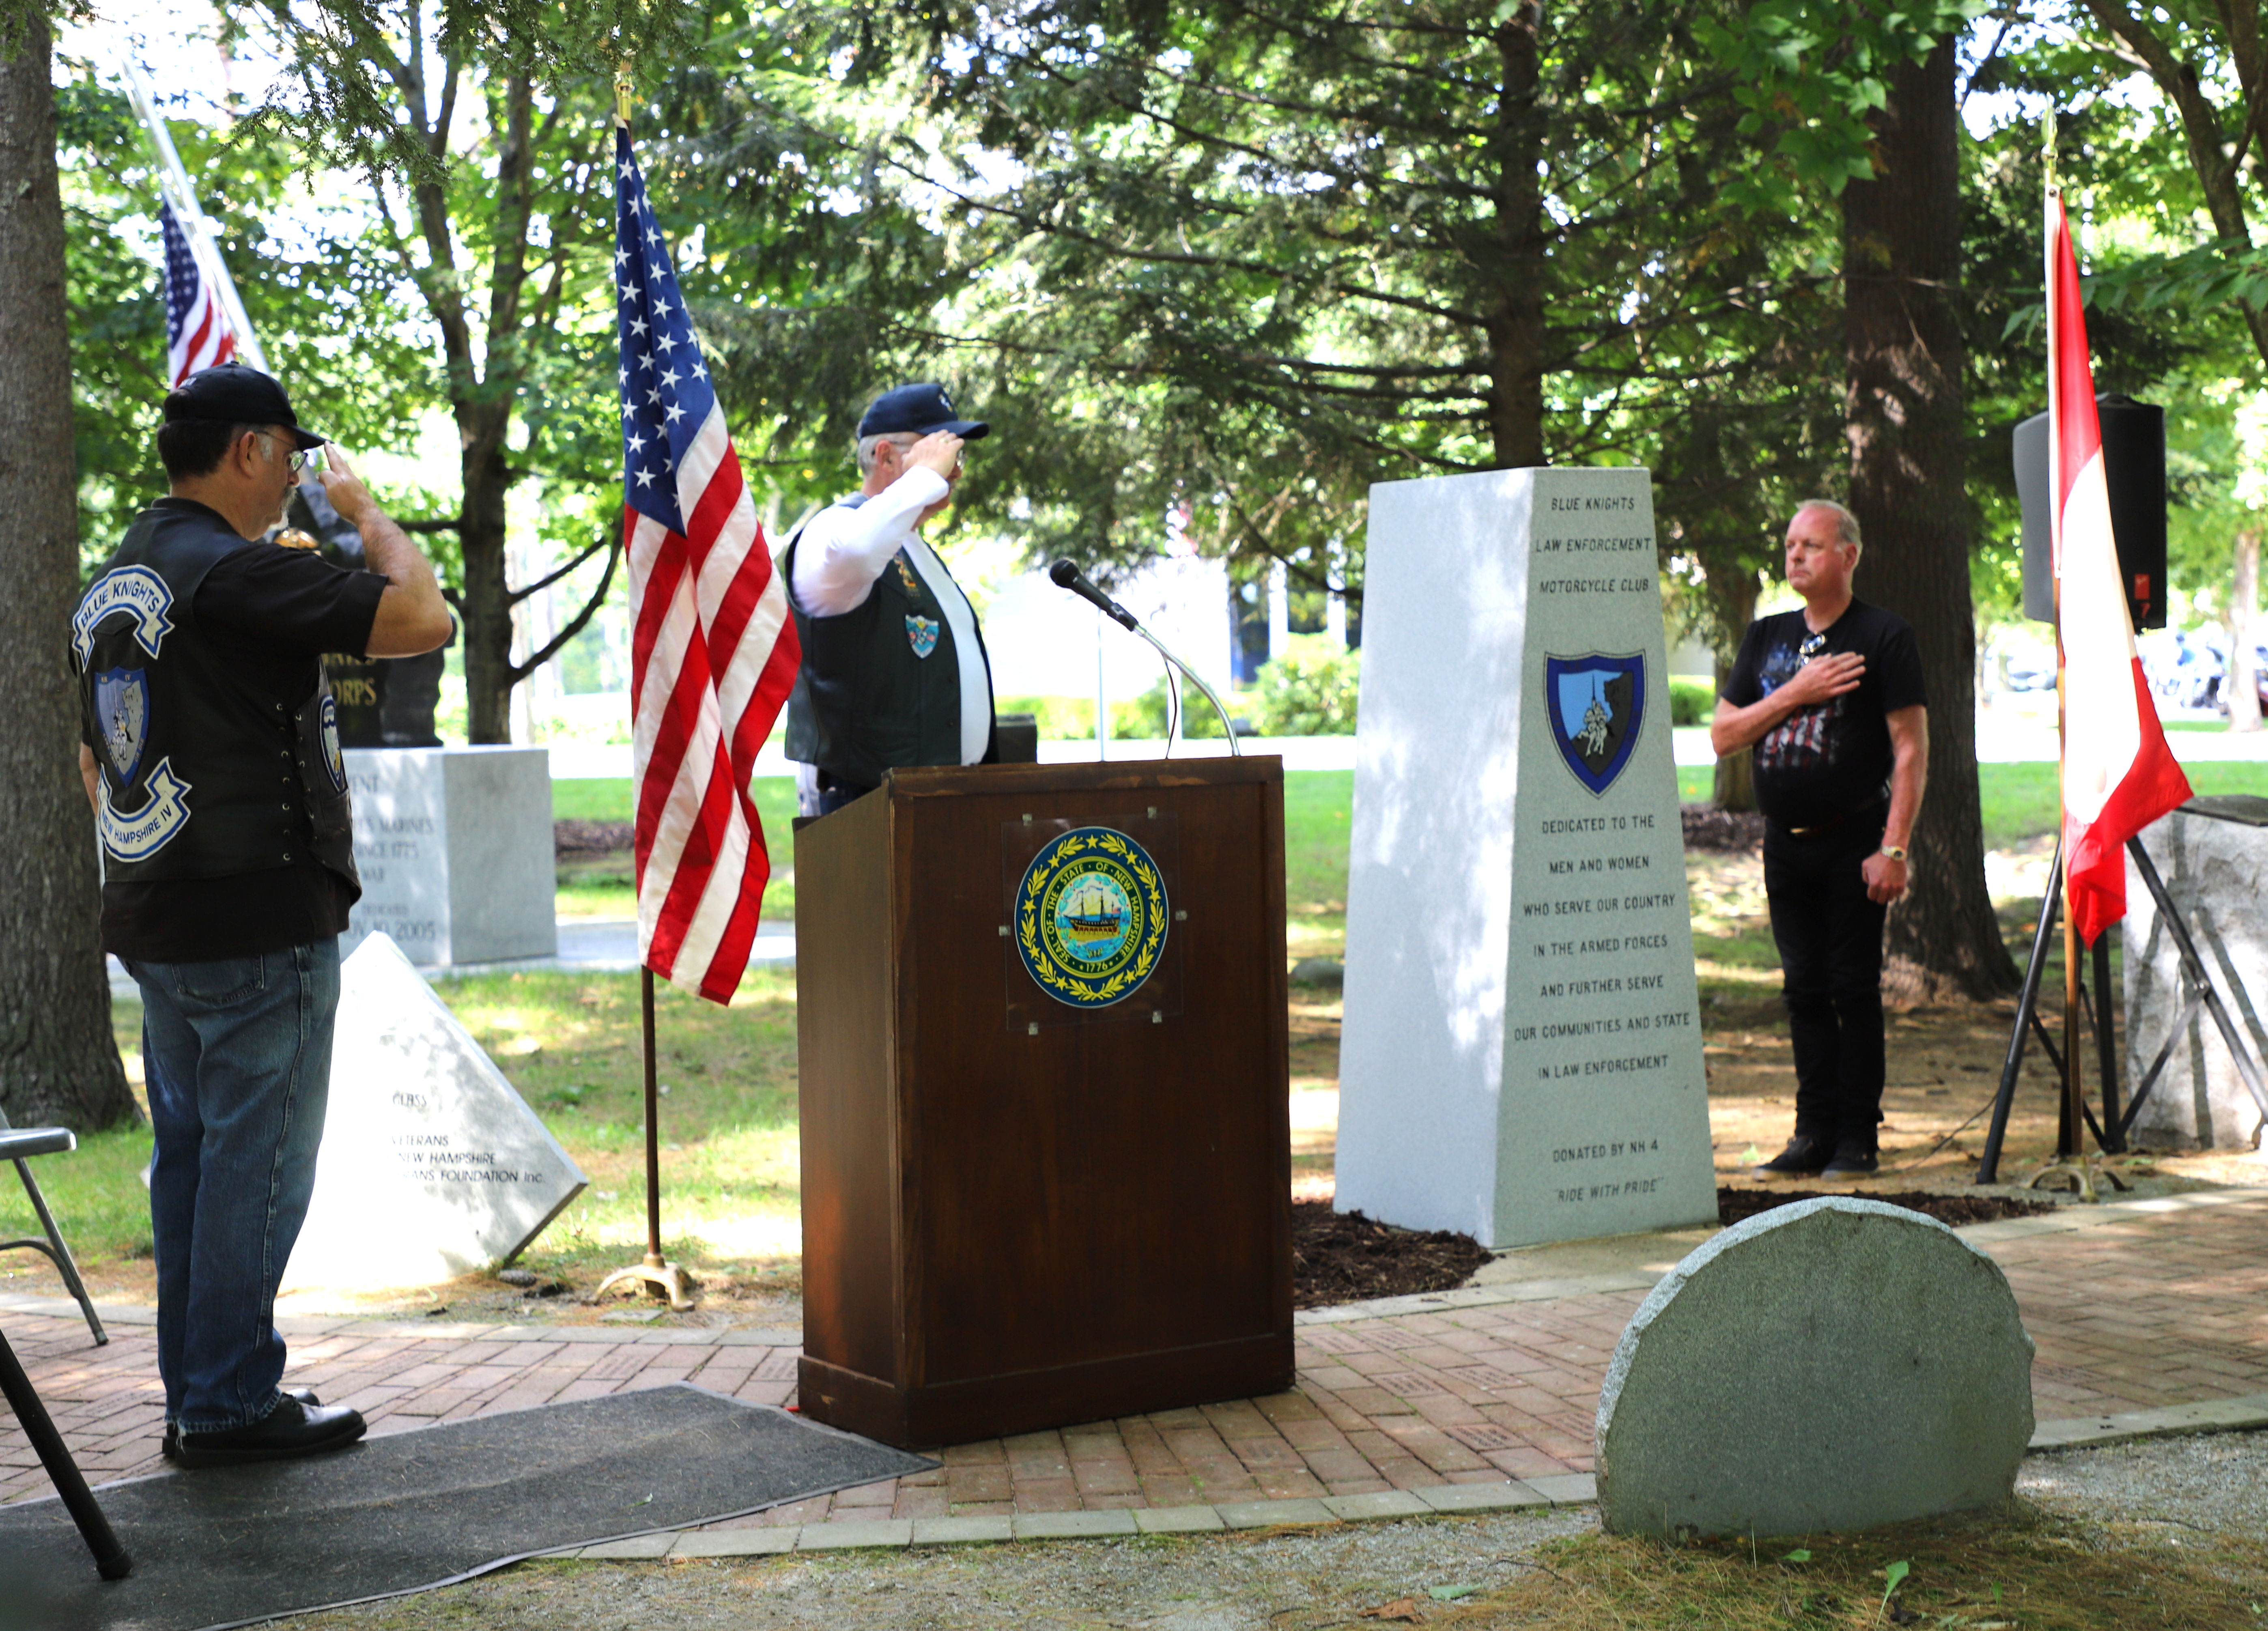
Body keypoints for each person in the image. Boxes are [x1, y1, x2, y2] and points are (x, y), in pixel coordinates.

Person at [70, 362, 453, 1467]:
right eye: (292, 452)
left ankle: (201, 1390)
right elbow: (423, 616)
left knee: (190, 1162)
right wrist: (368, 516)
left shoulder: (111, 581)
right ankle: (232, 1400)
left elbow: (94, 765)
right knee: (257, 1166)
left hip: (156, 917)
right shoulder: (236, 574)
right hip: (256, 922)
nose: (297, 475)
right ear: (248, 449)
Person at [1711, 499, 1928, 1179]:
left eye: (1811, 545)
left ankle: (1857, 1137)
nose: (1795, 556)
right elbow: (1724, 736)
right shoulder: (1766, 639)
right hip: (1786, 844)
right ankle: (1812, 1133)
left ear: (1849, 556)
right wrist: (1796, 693)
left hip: (1855, 839)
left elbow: (1912, 749)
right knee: (1802, 988)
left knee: (1851, 988)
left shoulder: (1884, 636)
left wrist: (1893, 848)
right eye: (1789, 545)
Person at [783, 382, 997, 817]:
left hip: (938, 797)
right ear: (885, 457)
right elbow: (858, 552)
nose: (955, 471)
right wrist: (923, 479)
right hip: (863, 802)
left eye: (957, 455)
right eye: (941, 451)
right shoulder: (834, 530)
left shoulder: (911, 544)